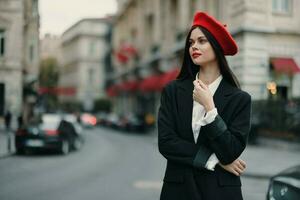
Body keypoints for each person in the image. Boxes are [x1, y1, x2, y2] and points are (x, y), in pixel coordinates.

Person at [158, 11, 251, 200]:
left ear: (216, 46)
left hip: (220, 192)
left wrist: (210, 109)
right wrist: (213, 160)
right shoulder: (173, 91)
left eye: (202, 41)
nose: (194, 47)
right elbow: (166, 143)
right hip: (178, 191)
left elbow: (231, 151)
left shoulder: (240, 99)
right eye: (191, 42)